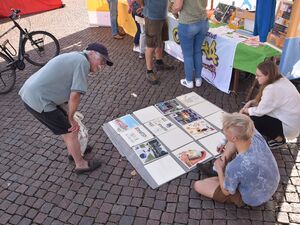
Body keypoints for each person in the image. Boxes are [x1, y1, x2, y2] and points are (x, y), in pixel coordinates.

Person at [19, 43, 113, 174]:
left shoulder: (76, 56)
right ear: (91, 53)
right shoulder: (83, 63)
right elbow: (75, 95)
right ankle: (80, 164)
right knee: (71, 131)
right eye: (101, 61)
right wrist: (70, 117)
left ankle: (73, 151)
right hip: (39, 100)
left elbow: (63, 85)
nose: (101, 66)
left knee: (67, 127)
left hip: (33, 93)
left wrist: (69, 116)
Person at [194, 112, 280, 207]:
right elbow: (245, 119)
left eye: (224, 131)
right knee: (218, 179)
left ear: (233, 137)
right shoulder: (254, 134)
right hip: (269, 185)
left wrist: (220, 170)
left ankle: (220, 173)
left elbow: (226, 192)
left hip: (254, 198)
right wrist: (225, 141)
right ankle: (225, 177)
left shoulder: (236, 166)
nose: (223, 131)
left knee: (198, 185)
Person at [240, 60, 300, 148]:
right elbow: (267, 102)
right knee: (254, 110)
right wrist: (251, 102)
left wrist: (246, 110)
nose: (256, 77)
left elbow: (260, 111)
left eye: (259, 75)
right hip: (293, 120)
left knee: (254, 119)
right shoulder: (280, 78)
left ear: (268, 75)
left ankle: (279, 139)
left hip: (289, 126)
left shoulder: (272, 88)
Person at [171, 0, 209, 89]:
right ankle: (198, 79)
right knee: (197, 51)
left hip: (188, 23)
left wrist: (173, 11)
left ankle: (189, 81)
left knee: (188, 55)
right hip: (203, 21)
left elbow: (177, 6)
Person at [136, 0, 174, 84]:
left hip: (162, 16)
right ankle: (149, 71)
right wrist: (143, 6)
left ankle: (159, 62)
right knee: (151, 45)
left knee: (160, 41)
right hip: (152, 17)